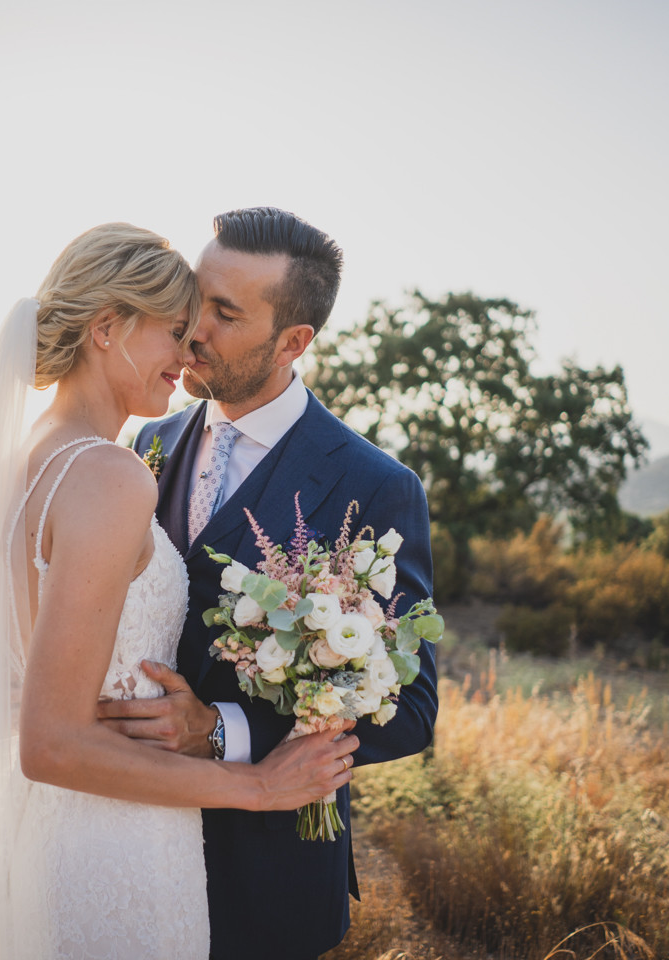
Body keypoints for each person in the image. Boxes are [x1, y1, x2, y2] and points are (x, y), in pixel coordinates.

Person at [0, 223, 360, 960]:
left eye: (207, 321)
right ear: (107, 329)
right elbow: (51, 743)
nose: (188, 350)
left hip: (42, 837)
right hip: (113, 848)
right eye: (174, 330)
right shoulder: (111, 475)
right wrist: (261, 788)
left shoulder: (19, 463)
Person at [101, 207, 440, 959]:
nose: (193, 328)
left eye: (225, 313)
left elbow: (412, 708)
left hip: (269, 866)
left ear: (293, 341)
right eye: (197, 299)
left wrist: (222, 732)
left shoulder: (374, 486)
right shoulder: (147, 442)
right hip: (130, 835)